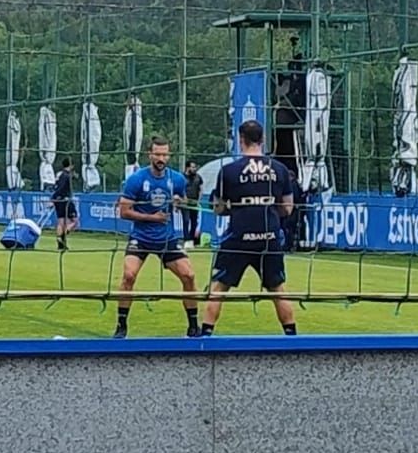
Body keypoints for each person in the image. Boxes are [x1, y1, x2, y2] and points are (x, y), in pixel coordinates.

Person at [202, 120, 296, 336]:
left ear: (240, 139)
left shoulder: (229, 171)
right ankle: (291, 335)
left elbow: (218, 207)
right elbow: (288, 208)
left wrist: (235, 209)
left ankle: (205, 334)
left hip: (239, 235)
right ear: (262, 140)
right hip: (269, 235)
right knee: (278, 289)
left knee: (219, 287)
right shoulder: (279, 169)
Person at [116, 136, 198, 338]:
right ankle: (121, 325)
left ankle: (193, 326)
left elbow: (183, 200)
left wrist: (180, 201)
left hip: (166, 238)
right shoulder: (136, 179)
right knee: (129, 276)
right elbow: (124, 211)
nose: (161, 158)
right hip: (141, 236)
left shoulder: (177, 179)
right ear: (150, 155)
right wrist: (150, 217)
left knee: (189, 275)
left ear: (169, 155)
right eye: (157, 154)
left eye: (164, 154)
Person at [51, 157, 77, 251]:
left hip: (58, 200)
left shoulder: (60, 174)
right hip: (65, 200)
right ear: (71, 165)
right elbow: (61, 188)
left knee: (61, 222)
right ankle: (62, 236)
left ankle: (60, 243)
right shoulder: (66, 176)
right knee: (74, 221)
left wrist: (53, 198)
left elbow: (56, 186)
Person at [182, 160, 203, 245]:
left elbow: (201, 188)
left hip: (194, 202)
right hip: (185, 203)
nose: (194, 169)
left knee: (194, 222)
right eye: (192, 167)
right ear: (188, 168)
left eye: (195, 167)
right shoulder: (182, 177)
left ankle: (192, 240)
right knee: (186, 221)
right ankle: (186, 239)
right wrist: (184, 198)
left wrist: (199, 200)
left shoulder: (198, 177)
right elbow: (180, 189)